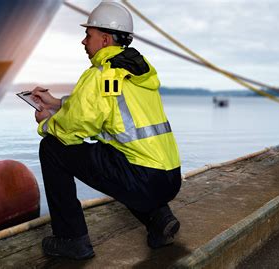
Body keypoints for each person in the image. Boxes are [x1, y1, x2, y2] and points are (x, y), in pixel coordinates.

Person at [32, 0, 181, 260]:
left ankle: (71, 239)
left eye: (88, 35)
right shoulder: (136, 71)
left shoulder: (102, 75)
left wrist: (46, 123)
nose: (83, 41)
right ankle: (158, 219)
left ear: (104, 39)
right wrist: (57, 104)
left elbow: (73, 128)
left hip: (143, 181)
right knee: (114, 152)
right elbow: (102, 104)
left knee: (52, 148)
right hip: (169, 180)